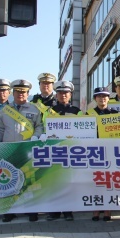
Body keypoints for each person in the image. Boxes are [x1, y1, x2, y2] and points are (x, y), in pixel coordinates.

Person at [0, 79, 43, 223]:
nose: (21, 94)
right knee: (10, 181)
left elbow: (39, 126)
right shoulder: (5, 111)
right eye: (18, 92)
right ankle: (10, 211)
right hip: (9, 150)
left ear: (28, 94)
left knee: (29, 181)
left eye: (24, 92)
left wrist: (35, 137)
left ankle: (31, 210)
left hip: (27, 150)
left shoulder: (34, 110)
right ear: (13, 93)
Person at [46, 80, 82, 221]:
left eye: (66, 93)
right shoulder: (49, 111)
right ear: (56, 94)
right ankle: (54, 211)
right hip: (53, 150)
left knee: (69, 182)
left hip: (70, 150)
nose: (63, 95)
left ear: (70, 94)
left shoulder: (77, 112)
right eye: (60, 93)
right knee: (53, 182)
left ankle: (68, 211)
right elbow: (44, 127)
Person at [87, 86, 117, 221]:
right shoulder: (88, 114)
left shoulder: (115, 114)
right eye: (99, 96)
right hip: (94, 152)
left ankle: (107, 209)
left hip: (110, 151)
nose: (102, 99)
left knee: (108, 181)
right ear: (95, 99)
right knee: (95, 181)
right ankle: (95, 209)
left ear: (108, 98)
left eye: (105, 96)